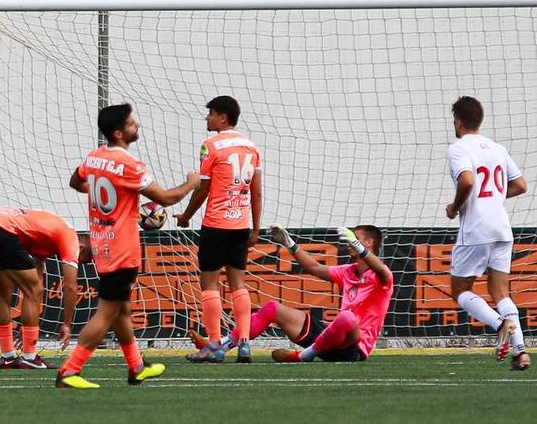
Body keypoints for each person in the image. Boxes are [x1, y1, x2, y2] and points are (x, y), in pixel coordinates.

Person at [57, 103, 198, 389]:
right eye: (132, 123)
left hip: (101, 245)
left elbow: (76, 181)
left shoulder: (94, 157)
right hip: (122, 249)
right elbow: (167, 198)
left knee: (122, 309)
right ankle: (68, 371)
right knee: (107, 312)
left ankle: (136, 367)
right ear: (119, 132)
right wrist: (191, 183)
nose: (137, 126)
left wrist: (97, 190)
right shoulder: (130, 166)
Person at [195, 225, 394, 362]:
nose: (349, 241)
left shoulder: (382, 276)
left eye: (355, 238)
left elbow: (381, 271)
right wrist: (290, 243)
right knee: (273, 308)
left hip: (353, 349)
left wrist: (359, 249)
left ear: (368, 242)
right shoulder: (348, 270)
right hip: (329, 338)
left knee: (347, 318)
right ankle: (221, 346)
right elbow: (315, 268)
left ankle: (303, 356)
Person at [173, 95, 264, 363]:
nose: (207, 118)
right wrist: (255, 229)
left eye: (211, 113)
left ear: (223, 117)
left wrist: (187, 215)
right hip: (240, 225)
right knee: (239, 283)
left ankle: (214, 344)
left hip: (216, 223)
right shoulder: (251, 147)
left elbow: (204, 188)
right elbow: (256, 194)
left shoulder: (211, 145)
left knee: (209, 284)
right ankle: (244, 343)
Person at [444, 95, 531, 371]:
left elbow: (468, 181)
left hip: (477, 229)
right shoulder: (497, 148)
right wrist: (493, 197)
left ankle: (498, 324)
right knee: (500, 292)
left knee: (460, 290)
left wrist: (454, 207)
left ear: (458, 121)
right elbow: (520, 185)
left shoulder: (459, 148)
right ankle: (521, 352)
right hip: (502, 228)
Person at [0, 206, 83, 370]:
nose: (78, 261)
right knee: (33, 290)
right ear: (82, 247)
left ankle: (8, 357)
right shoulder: (70, 235)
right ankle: (30, 356)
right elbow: (70, 286)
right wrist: (67, 325)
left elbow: (37, 273)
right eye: (81, 259)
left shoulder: (44, 234)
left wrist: (28, 326)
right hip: (1, 230)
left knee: (3, 292)